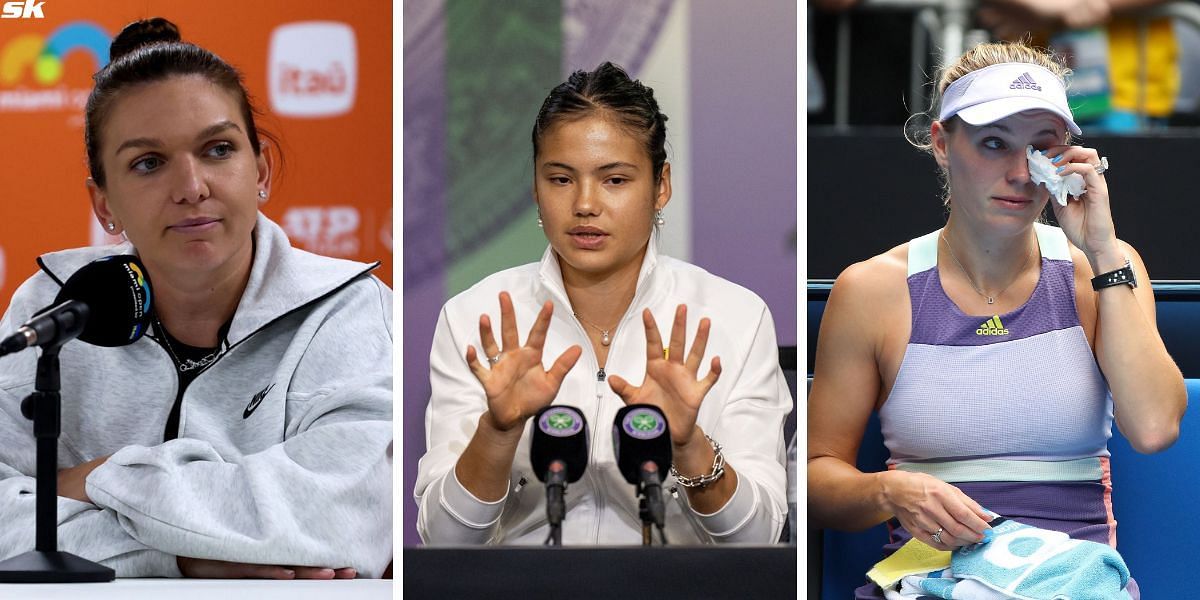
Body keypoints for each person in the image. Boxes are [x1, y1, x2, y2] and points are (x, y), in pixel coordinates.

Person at [0, 18, 392, 578]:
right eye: (148, 163)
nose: (191, 187)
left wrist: (96, 478)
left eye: (217, 149)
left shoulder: (350, 311)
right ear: (104, 203)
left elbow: (343, 526)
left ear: (259, 169)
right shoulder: (55, 306)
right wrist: (180, 558)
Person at [808, 41, 1186, 599]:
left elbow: (1154, 429)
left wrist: (1104, 252)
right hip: (926, 580)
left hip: (1079, 581)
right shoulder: (871, 290)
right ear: (941, 143)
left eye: (1041, 148)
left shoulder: (1106, 267)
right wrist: (894, 491)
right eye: (993, 143)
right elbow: (817, 478)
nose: (1019, 172)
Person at [414, 62, 791, 545]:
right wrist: (497, 430)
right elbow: (443, 543)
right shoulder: (476, 317)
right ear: (535, 186)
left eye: (614, 180)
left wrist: (687, 442)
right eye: (561, 179)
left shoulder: (736, 317)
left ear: (661, 186)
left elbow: (758, 541)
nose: (585, 204)